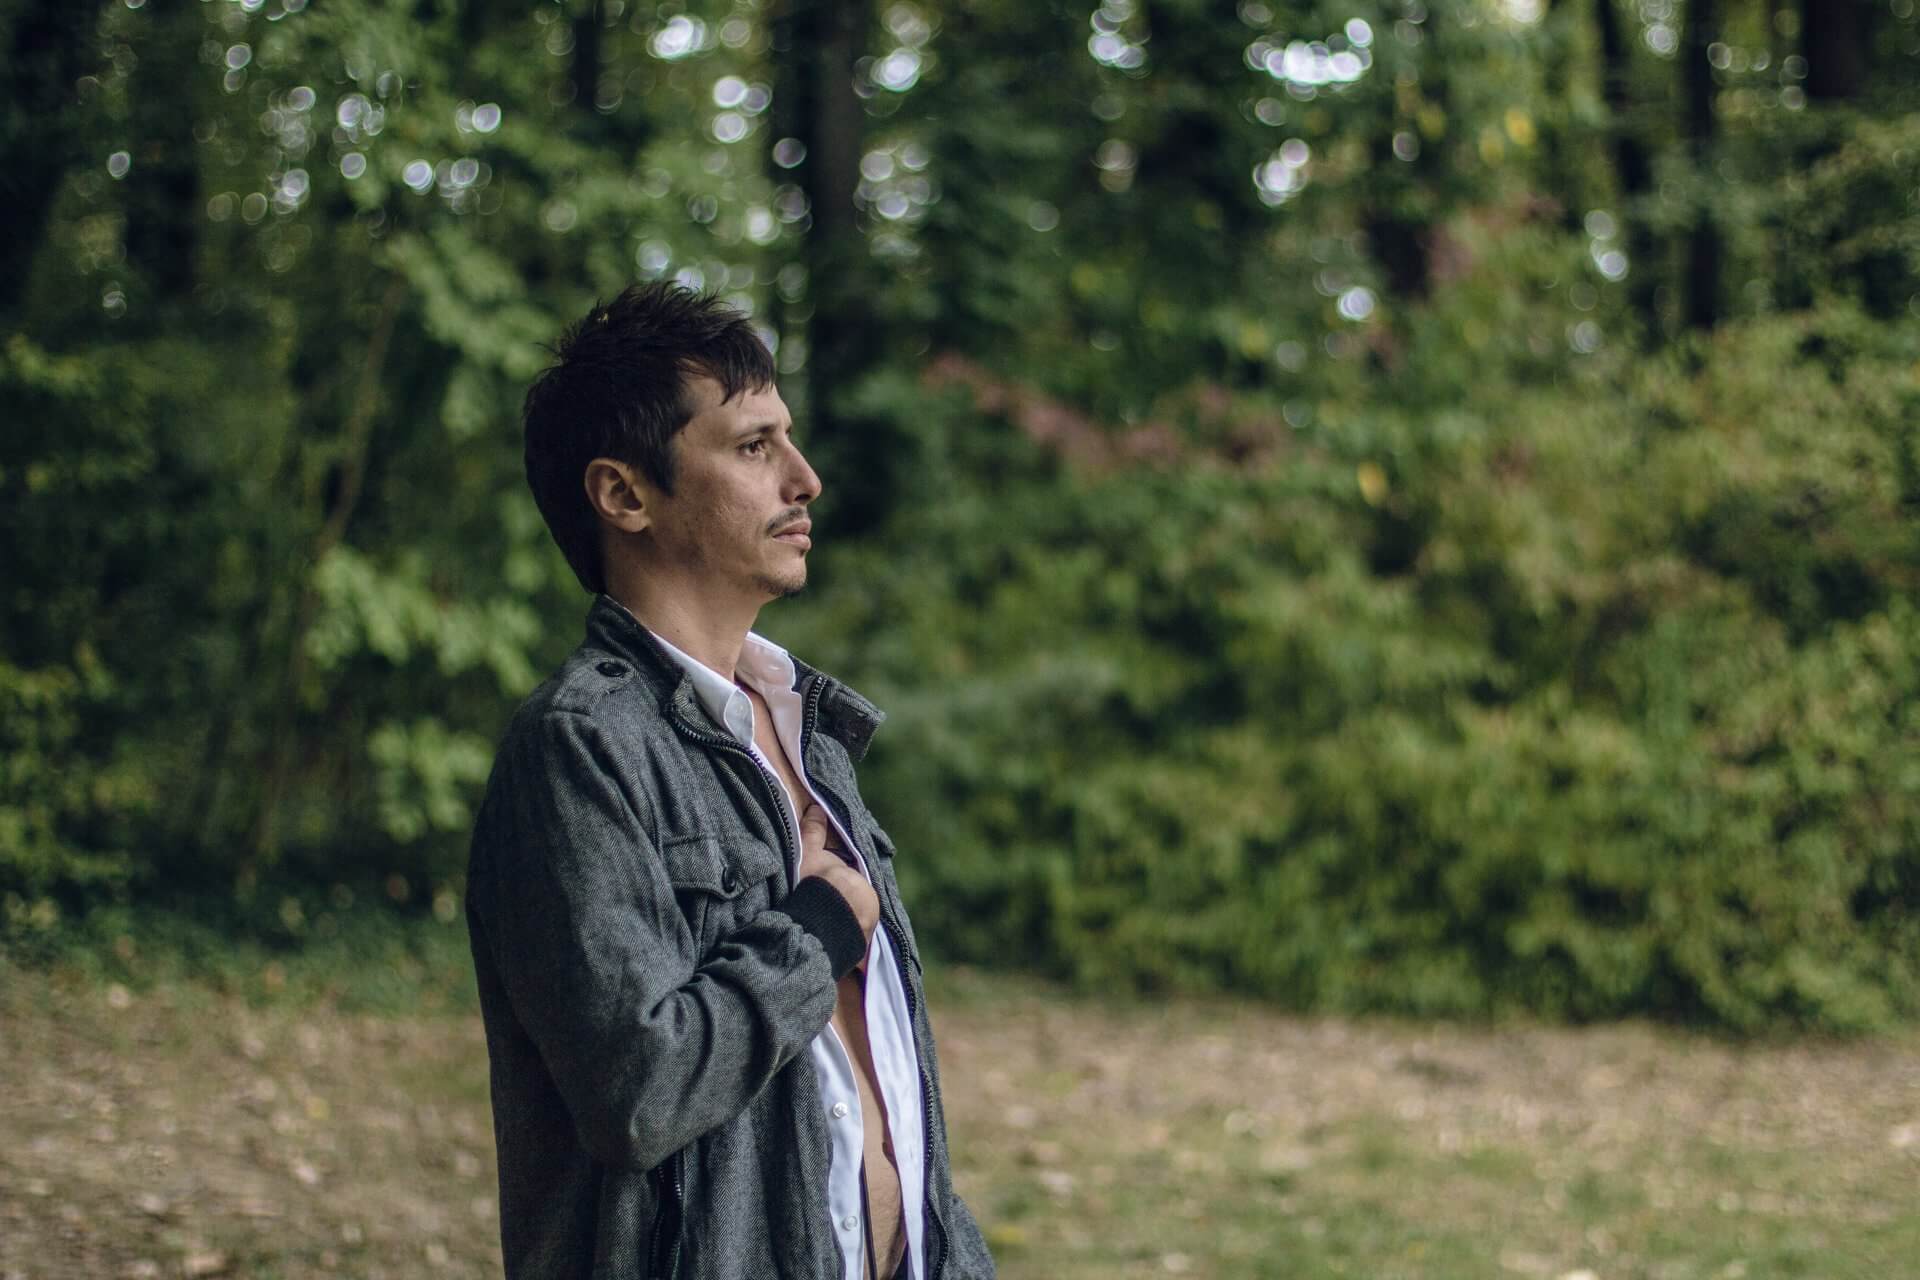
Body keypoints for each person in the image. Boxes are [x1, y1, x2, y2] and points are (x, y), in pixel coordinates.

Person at [464, 282, 996, 1280]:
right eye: (754, 447)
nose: (806, 479)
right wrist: (814, 931)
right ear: (625, 495)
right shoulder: (579, 750)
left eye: (788, 439)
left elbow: (891, 1090)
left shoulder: (808, 731)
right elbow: (637, 1092)